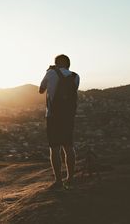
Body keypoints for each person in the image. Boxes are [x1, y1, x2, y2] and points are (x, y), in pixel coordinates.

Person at [39, 54, 80, 190]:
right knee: (69, 147)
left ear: (56, 63)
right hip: (68, 117)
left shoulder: (51, 73)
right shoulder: (75, 76)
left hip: (53, 116)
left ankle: (58, 181)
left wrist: (48, 71)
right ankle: (71, 178)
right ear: (68, 64)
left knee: (54, 148)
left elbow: (41, 90)